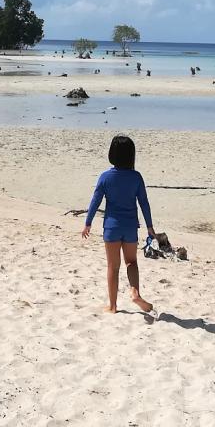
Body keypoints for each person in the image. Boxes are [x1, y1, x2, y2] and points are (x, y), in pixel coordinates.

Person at [81, 135, 156, 315]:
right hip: (130, 227)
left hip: (112, 227)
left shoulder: (105, 177)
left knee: (113, 267)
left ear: (112, 155)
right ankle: (135, 292)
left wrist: (88, 222)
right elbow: (144, 203)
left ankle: (113, 306)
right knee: (131, 263)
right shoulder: (136, 177)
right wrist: (150, 227)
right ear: (131, 155)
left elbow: (95, 201)